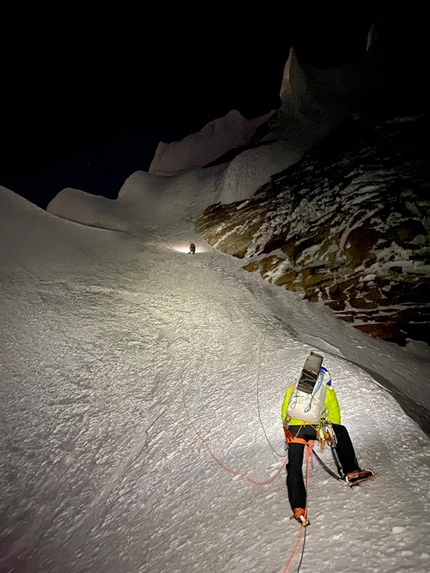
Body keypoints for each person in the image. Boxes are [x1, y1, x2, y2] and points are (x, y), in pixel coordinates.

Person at [281, 365, 374, 526]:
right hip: (316, 428)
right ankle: (351, 471)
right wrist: (330, 435)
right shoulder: (327, 390)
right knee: (341, 431)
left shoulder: (294, 387)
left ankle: (298, 508)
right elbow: (335, 417)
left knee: (294, 466)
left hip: (294, 430)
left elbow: (285, 412)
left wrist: (289, 431)